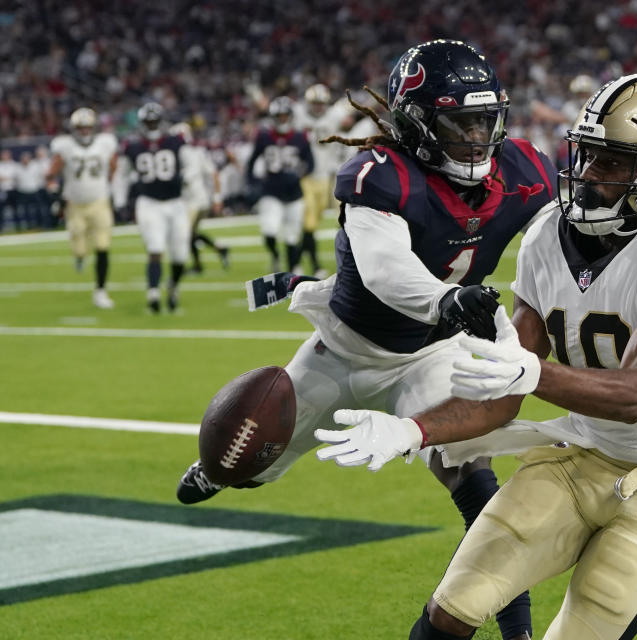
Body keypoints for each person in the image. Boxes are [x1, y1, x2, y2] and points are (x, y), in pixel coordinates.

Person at [314, 74, 637, 639]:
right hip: (574, 455)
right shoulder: (546, 235)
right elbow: (502, 390)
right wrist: (412, 431)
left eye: (611, 163)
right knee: (453, 607)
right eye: (586, 156)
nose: (587, 175)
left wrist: (533, 371)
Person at [175, 39, 558, 640]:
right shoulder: (381, 176)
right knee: (249, 462)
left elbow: (565, 230)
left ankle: (517, 629)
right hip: (345, 348)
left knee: (469, 472)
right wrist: (447, 298)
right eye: (460, 123)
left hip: (429, 353)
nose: (477, 138)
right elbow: (385, 271)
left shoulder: (525, 170)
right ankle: (215, 468)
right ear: (418, 123)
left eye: (486, 121)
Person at [46, 108, 119, 309]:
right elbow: (51, 174)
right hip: (75, 204)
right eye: (81, 127)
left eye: (88, 127)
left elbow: (114, 166)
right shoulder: (65, 146)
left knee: (103, 246)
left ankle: (101, 291)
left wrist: (112, 187)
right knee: (79, 246)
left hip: (99, 201)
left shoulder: (105, 143)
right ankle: (79, 257)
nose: (85, 131)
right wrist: (56, 195)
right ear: (74, 128)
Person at [123, 102, 192, 313]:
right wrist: (121, 201)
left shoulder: (176, 141)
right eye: (148, 122)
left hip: (176, 202)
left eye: (154, 122)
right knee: (155, 248)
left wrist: (188, 182)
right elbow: (122, 175)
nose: (152, 126)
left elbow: (190, 165)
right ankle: (153, 293)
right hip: (149, 202)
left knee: (180, 255)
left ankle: (173, 286)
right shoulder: (133, 146)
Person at [247, 96, 314, 273]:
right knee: (269, 230)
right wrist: (252, 182)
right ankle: (275, 255)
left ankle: (291, 273)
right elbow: (251, 161)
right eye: (279, 116)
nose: (282, 119)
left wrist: (300, 174)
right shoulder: (263, 136)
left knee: (292, 237)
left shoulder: (300, 137)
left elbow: (311, 163)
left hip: (294, 193)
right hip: (271, 191)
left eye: (285, 116)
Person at [294, 83, 349, 277]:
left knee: (315, 223)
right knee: (307, 223)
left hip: (326, 177)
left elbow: (353, 116)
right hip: (306, 176)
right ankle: (311, 264)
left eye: (321, 103)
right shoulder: (298, 114)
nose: (318, 107)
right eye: (314, 103)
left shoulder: (335, 115)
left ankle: (298, 261)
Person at [168, 122, 230, 274]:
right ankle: (219, 248)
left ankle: (197, 265)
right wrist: (216, 197)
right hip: (198, 200)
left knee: (185, 234)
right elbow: (213, 173)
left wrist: (217, 197)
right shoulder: (196, 151)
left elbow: (211, 174)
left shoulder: (187, 153)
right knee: (192, 233)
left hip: (193, 202)